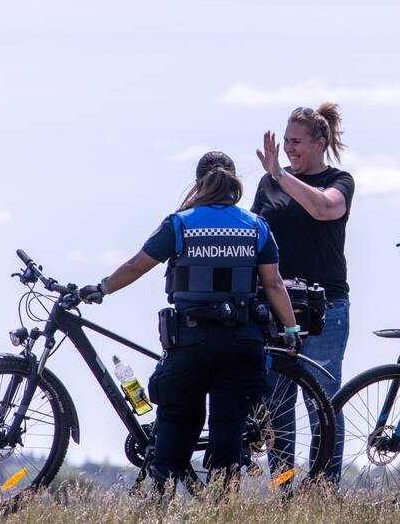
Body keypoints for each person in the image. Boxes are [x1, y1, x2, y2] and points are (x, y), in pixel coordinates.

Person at [75, 151, 301, 493]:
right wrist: (291, 330)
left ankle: (162, 496)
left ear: (198, 184)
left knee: (177, 419)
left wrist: (101, 288)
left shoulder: (180, 223)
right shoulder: (255, 226)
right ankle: (221, 501)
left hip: (192, 341)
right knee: (229, 424)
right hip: (241, 341)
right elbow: (273, 285)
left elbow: (136, 266)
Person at [253, 103, 355, 480]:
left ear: (319, 142)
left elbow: (323, 209)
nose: (288, 148)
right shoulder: (269, 182)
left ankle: (325, 487)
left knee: (323, 402)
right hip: (277, 306)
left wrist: (280, 174)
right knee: (277, 404)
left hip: (324, 307)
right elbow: (256, 236)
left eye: (296, 142)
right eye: (286, 141)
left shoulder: (339, 180)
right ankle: (285, 488)